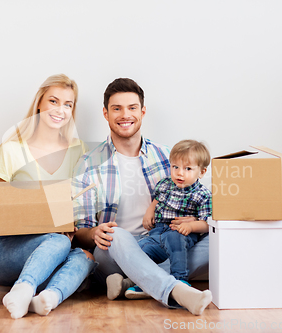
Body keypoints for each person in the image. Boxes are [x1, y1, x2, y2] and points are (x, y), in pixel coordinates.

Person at [72, 78, 211, 315]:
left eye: (132, 108)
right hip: (113, 253)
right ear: (106, 113)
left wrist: (192, 222)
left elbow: (195, 197)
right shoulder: (88, 163)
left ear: (143, 111)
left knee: (216, 239)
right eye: (117, 108)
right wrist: (95, 232)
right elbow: (80, 231)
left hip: (162, 244)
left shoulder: (168, 156)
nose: (125, 115)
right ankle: (174, 290)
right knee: (117, 234)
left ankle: (135, 284)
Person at [0, 74, 97, 319]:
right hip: (5, 251)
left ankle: (43, 297)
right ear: (39, 104)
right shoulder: (11, 149)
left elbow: (82, 205)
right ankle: (25, 287)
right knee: (60, 242)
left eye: (68, 104)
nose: (60, 110)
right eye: (53, 101)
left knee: (85, 257)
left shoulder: (79, 150)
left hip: (56, 249)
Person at [125, 140, 211, 298]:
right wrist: (149, 211)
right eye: (175, 167)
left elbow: (207, 224)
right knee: (141, 247)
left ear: (202, 172)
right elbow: (157, 200)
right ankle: (143, 283)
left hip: (181, 233)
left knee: (175, 239)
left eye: (188, 169)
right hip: (157, 232)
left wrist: (192, 227)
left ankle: (180, 281)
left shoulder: (202, 194)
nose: (180, 173)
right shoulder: (165, 184)